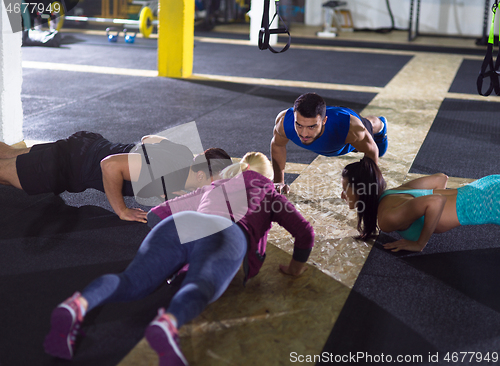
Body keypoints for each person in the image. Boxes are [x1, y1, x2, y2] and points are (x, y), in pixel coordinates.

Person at [43, 152, 314, 365]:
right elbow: (305, 233)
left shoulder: (215, 186)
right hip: (227, 233)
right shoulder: (270, 192)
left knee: (131, 281)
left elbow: (156, 215)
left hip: (183, 222)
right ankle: (168, 323)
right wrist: (294, 269)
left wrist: (175, 255)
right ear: (267, 177)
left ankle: (78, 304)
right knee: (200, 286)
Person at [0, 131, 232, 223]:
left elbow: (149, 139)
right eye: (215, 184)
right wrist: (122, 210)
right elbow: (109, 166)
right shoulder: (167, 168)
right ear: (201, 174)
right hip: (70, 165)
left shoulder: (183, 156)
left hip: (84, 146)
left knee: (9, 154)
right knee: (5, 174)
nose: (216, 189)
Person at [341, 157, 500, 252]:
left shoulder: (386, 219)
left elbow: (436, 201)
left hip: (488, 204)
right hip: (486, 186)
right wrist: (437, 218)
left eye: (345, 190)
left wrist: (419, 243)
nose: (342, 195)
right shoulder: (392, 193)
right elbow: (440, 178)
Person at [271, 92, 388, 193]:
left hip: (344, 129)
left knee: (371, 125)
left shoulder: (350, 128)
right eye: (299, 125)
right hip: (335, 125)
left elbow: (372, 150)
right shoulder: (284, 122)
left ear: (324, 121)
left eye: (312, 126)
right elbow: (277, 145)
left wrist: (366, 187)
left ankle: (381, 126)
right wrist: (278, 181)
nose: (304, 134)